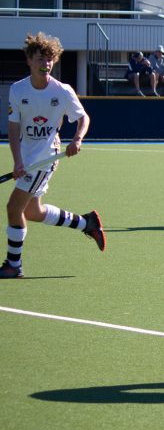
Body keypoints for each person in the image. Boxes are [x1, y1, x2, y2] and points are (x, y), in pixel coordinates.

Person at [2, 32, 105, 279]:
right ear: (29, 60)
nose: (46, 64)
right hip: (26, 159)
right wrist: (17, 161)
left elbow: (83, 118)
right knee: (32, 213)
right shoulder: (18, 90)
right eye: (40, 59)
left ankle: (14, 265)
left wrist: (77, 139)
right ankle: (87, 223)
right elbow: (13, 129)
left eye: (50, 59)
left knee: (13, 208)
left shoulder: (62, 91)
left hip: (46, 158)